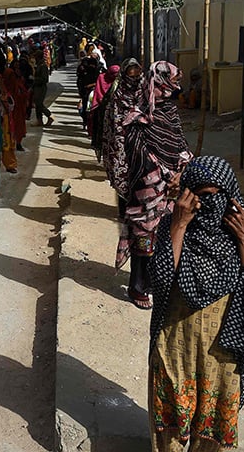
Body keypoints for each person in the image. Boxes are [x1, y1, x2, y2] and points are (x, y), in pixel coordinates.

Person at [147, 156, 244, 451]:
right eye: (195, 196)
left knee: (212, 430)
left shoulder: (239, 233)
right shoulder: (173, 226)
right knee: (171, 423)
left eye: (211, 197)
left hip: (222, 353)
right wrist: (178, 225)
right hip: (176, 343)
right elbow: (159, 280)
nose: (203, 205)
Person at [103, 59, 193, 310]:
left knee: (165, 235)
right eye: (172, 82)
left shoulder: (170, 111)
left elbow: (180, 145)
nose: (175, 87)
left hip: (171, 188)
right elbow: (137, 153)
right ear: (160, 81)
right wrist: (165, 175)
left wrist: (182, 170)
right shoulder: (138, 117)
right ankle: (138, 286)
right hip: (147, 187)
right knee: (144, 235)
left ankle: (154, 280)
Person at [89, 64, 120, 154]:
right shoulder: (102, 78)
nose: (115, 76)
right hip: (102, 111)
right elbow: (98, 93)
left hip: (116, 112)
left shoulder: (120, 81)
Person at [32, 50, 54, 127]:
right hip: (36, 86)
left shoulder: (43, 66)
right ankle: (39, 120)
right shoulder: (38, 65)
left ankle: (49, 115)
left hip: (41, 87)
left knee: (39, 104)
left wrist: (34, 79)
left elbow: (45, 79)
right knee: (37, 105)